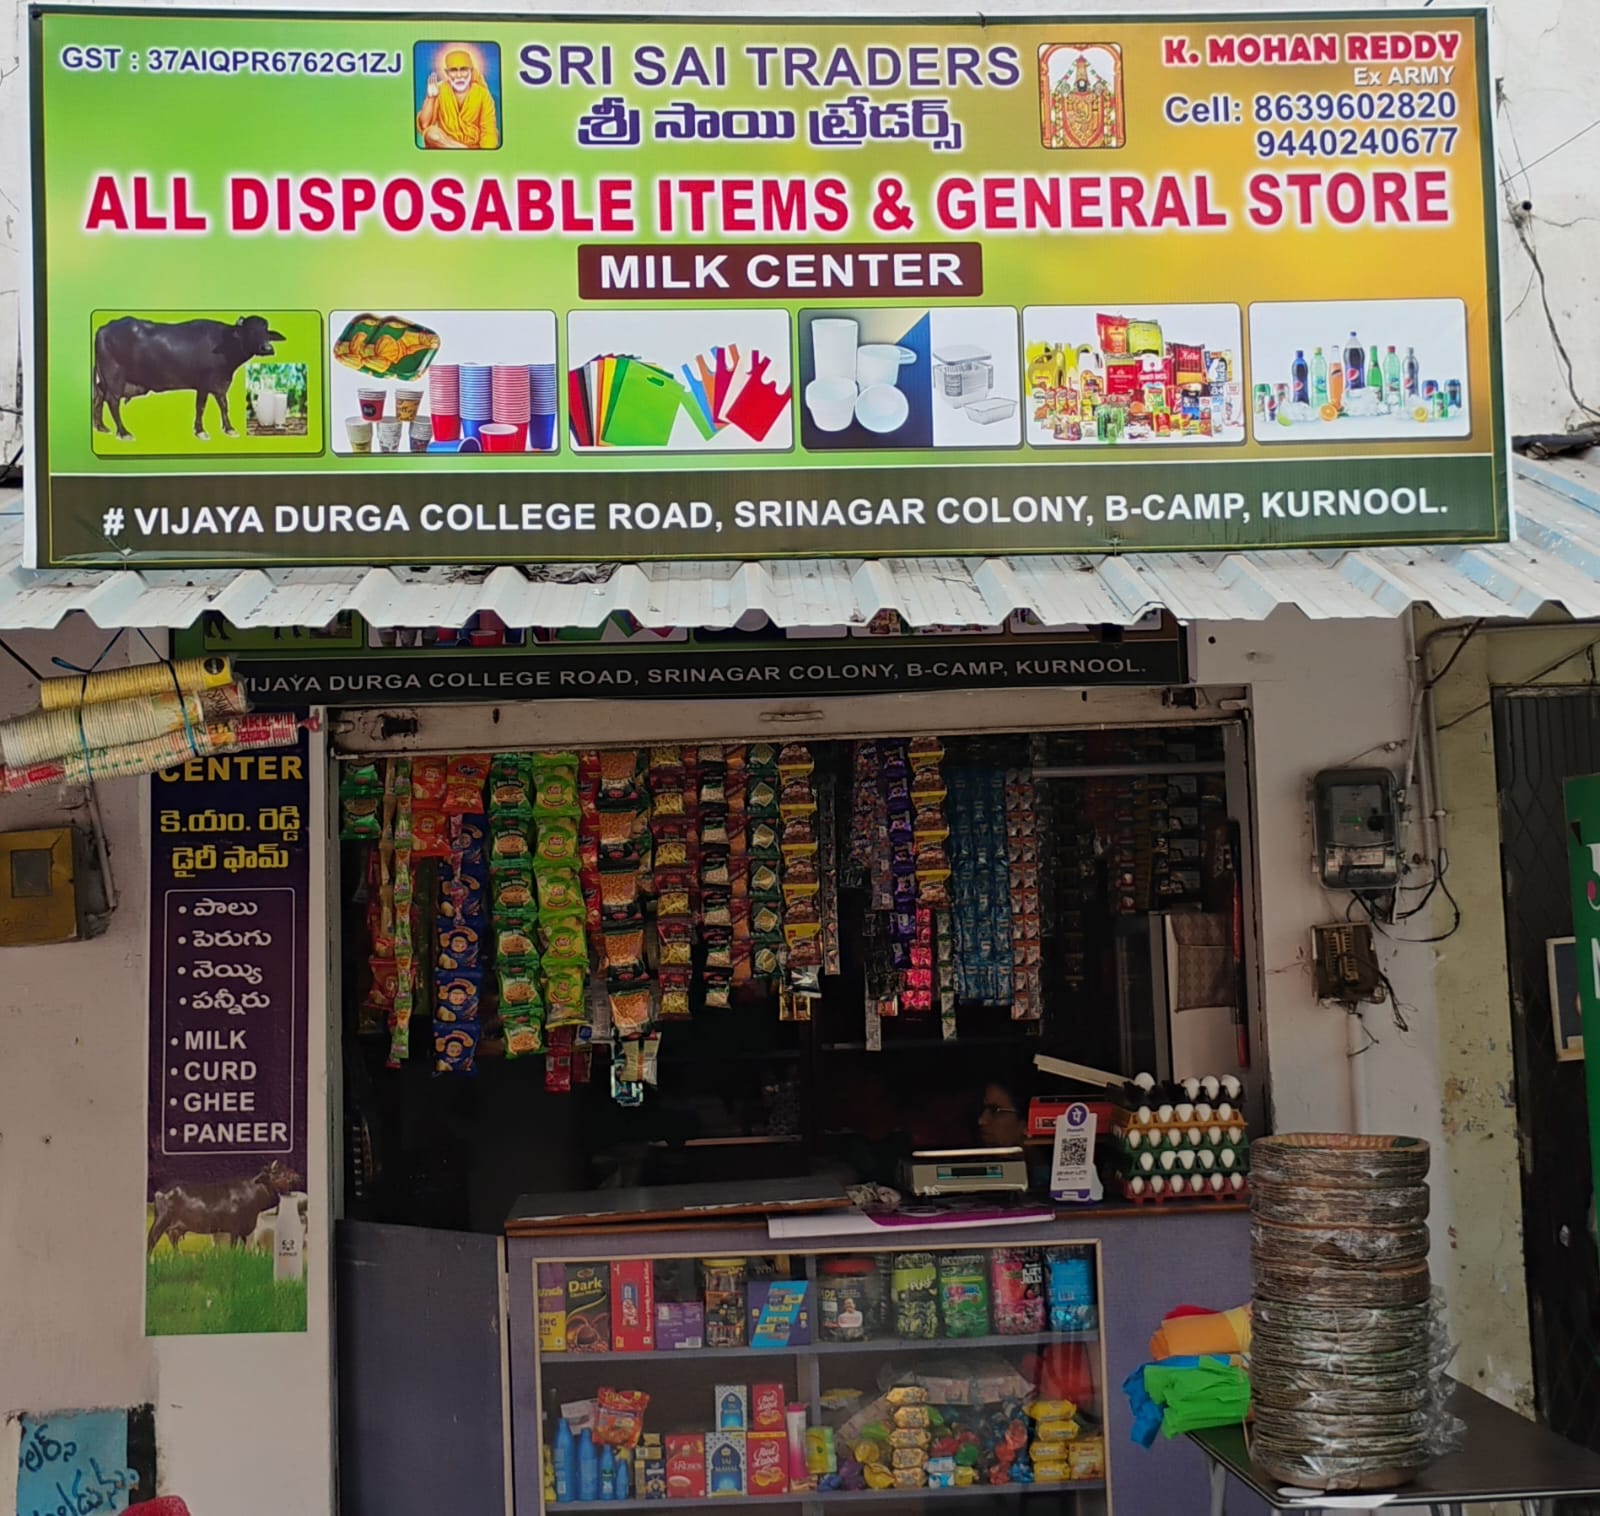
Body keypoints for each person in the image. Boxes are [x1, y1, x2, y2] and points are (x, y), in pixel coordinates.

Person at [418, 48, 500, 150]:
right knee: (432, 134)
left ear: (471, 70)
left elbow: (489, 130)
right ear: (447, 73)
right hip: (446, 143)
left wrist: (486, 155)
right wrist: (431, 97)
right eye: (453, 70)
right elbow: (425, 124)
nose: (459, 75)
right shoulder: (440, 89)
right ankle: (466, 152)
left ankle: (466, 153)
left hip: (475, 147)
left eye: (464, 69)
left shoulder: (482, 94)